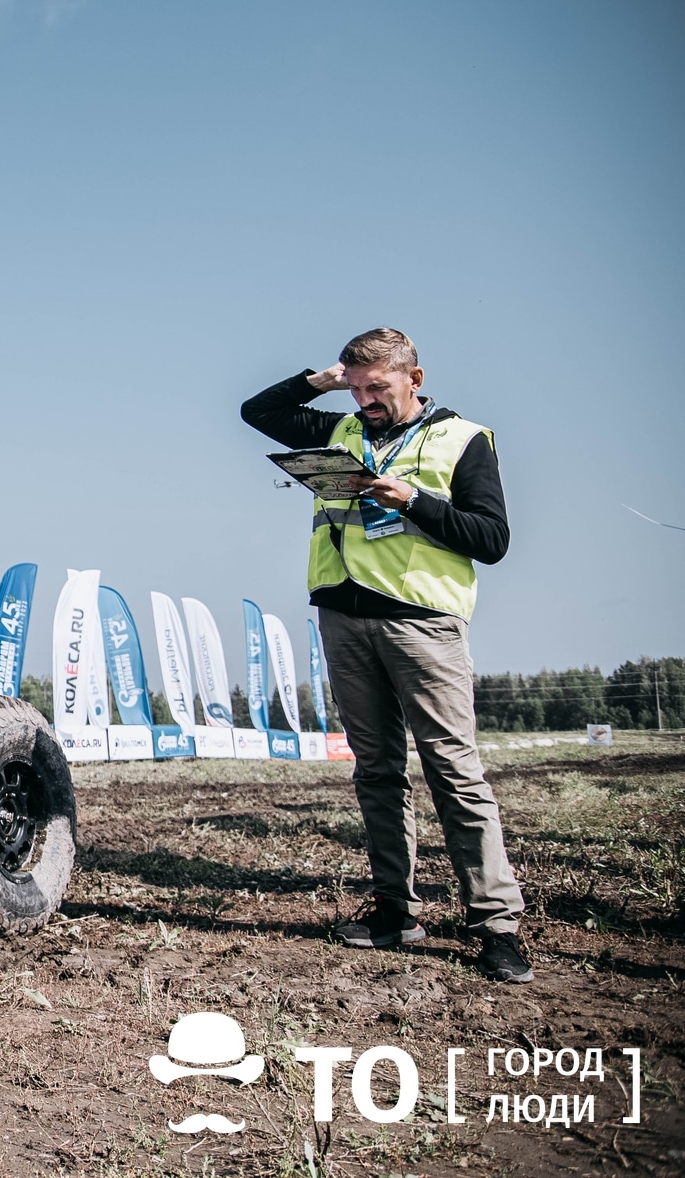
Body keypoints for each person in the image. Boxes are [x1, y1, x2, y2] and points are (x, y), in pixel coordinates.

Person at [241, 327, 530, 983]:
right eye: (358, 385)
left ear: (415, 378)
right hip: (344, 618)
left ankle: (496, 924)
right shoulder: (342, 429)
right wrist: (325, 379)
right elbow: (257, 412)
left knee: (454, 771)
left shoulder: (464, 439)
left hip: (422, 625)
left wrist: (416, 501)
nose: (366, 397)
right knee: (376, 771)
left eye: (379, 386)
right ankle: (396, 910)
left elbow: (492, 538)